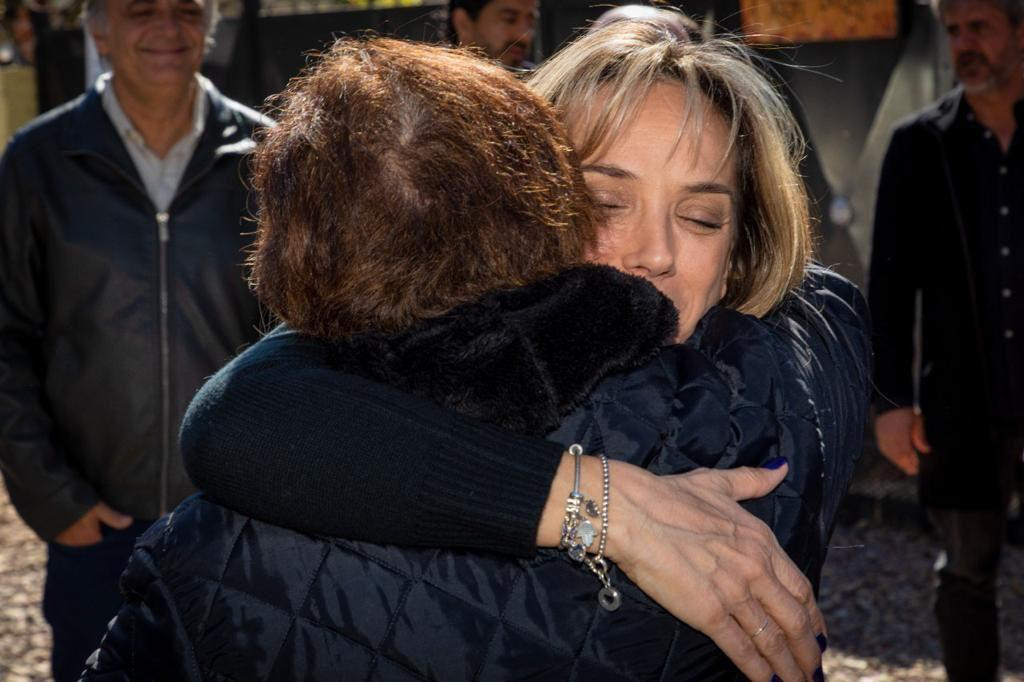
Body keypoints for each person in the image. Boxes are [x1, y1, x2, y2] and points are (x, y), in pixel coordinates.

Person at [86, 29, 869, 682]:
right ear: (517, 210)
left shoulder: (308, 452)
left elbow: (236, 415)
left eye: (701, 217)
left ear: (740, 251)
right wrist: (594, 502)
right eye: (605, 202)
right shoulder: (816, 354)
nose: (654, 254)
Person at [0, 0, 264, 677]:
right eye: (141, 8)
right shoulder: (37, 162)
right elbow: (6, 338)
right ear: (97, 27)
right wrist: (56, 501)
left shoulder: (270, 156)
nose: (167, 28)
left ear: (210, 21)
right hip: (96, 533)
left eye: (186, 8)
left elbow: (307, 333)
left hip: (241, 530)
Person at [869, 0, 1024, 679]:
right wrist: (892, 402)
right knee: (965, 575)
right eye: (953, 31)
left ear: (1021, 31)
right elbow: (891, 286)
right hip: (962, 404)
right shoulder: (919, 145)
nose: (964, 44)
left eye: (980, 28)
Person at [448, 0, 537, 68]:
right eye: (510, 19)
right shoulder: (437, 85)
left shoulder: (538, 85)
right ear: (463, 24)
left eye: (531, 23)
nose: (524, 36)